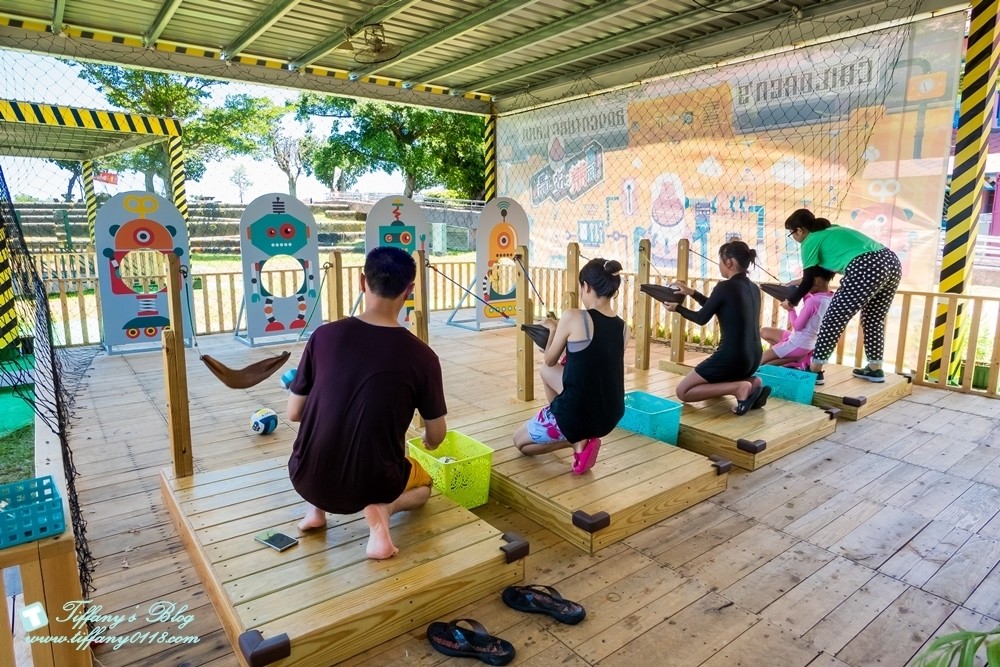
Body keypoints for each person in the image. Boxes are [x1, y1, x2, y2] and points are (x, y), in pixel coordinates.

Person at [286, 246, 448, 560]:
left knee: (325, 428)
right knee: (424, 486)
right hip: (374, 483)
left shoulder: (323, 336)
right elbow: (437, 435)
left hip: (305, 475)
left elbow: (294, 413)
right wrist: (428, 441)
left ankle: (315, 513)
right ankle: (383, 510)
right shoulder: (423, 357)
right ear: (409, 290)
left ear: (362, 281)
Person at [512, 258, 628, 475]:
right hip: (610, 415)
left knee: (520, 443)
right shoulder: (624, 328)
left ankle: (576, 440)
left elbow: (549, 359)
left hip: (579, 413)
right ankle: (568, 427)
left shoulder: (575, 317)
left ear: (587, 286)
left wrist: (553, 329)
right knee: (546, 372)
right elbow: (595, 363)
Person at [783, 208, 902, 384]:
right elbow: (819, 271)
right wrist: (800, 281)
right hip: (891, 261)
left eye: (791, 233)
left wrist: (791, 301)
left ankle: (814, 371)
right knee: (873, 318)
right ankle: (875, 369)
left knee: (833, 318)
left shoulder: (809, 241)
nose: (793, 237)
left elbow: (810, 280)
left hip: (866, 266)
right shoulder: (831, 230)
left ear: (799, 230)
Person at [665, 241, 769, 415]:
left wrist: (677, 308)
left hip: (732, 358)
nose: (719, 265)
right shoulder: (753, 287)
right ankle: (753, 382)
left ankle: (739, 388)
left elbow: (701, 318)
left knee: (683, 391)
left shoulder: (725, 287)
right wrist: (692, 293)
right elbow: (718, 306)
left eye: (720, 261)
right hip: (753, 358)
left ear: (729, 262)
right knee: (710, 386)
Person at [760, 268, 835, 368]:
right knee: (764, 331)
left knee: (760, 364)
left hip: (796, 343)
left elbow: (798, 326)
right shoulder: (831, 297)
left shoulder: (813, 302)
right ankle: (794, 356)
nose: (803, 283)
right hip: (808, 343)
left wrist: (790, 309)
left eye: (805, 280)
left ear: (816, 281)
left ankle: (796, 358)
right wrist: (802, 291)